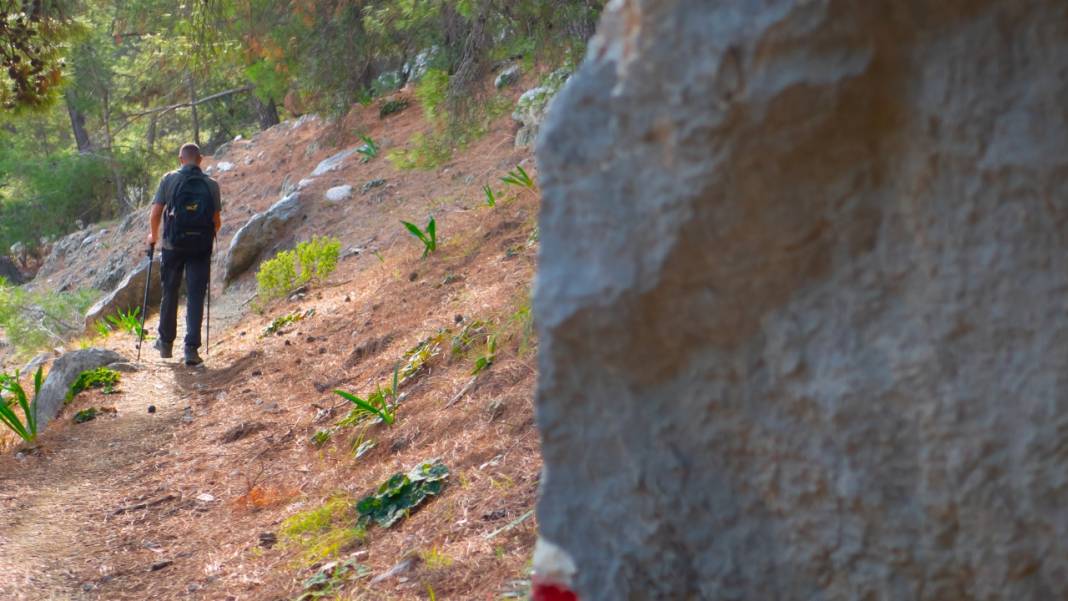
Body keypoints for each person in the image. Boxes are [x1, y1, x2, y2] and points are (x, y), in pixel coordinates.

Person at [147, 143, 222, 366]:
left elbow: (156, 213)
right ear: (200, 159)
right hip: (200, 247)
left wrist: (153, 236)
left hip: (173, 245)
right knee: (196, 295)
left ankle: (165, 343)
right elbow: (216, 221)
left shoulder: (169, 179)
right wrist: (203, 237)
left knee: (170, 291)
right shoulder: (211, 184)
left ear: (181, 159)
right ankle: (191, 349)